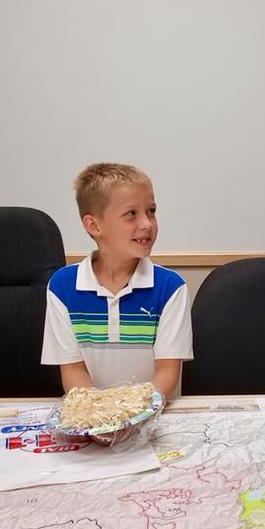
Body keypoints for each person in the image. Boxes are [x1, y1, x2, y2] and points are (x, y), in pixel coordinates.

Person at [41, 163, 193, 399]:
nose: (146, 224)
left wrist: (130, 417)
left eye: (151, 211)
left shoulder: (170, 287)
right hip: (92, 419)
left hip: (153, 418)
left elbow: (167, 373)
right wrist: (101, 418)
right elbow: (73, 373)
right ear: (94, 225)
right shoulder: (62, 287)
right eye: (131, 214)